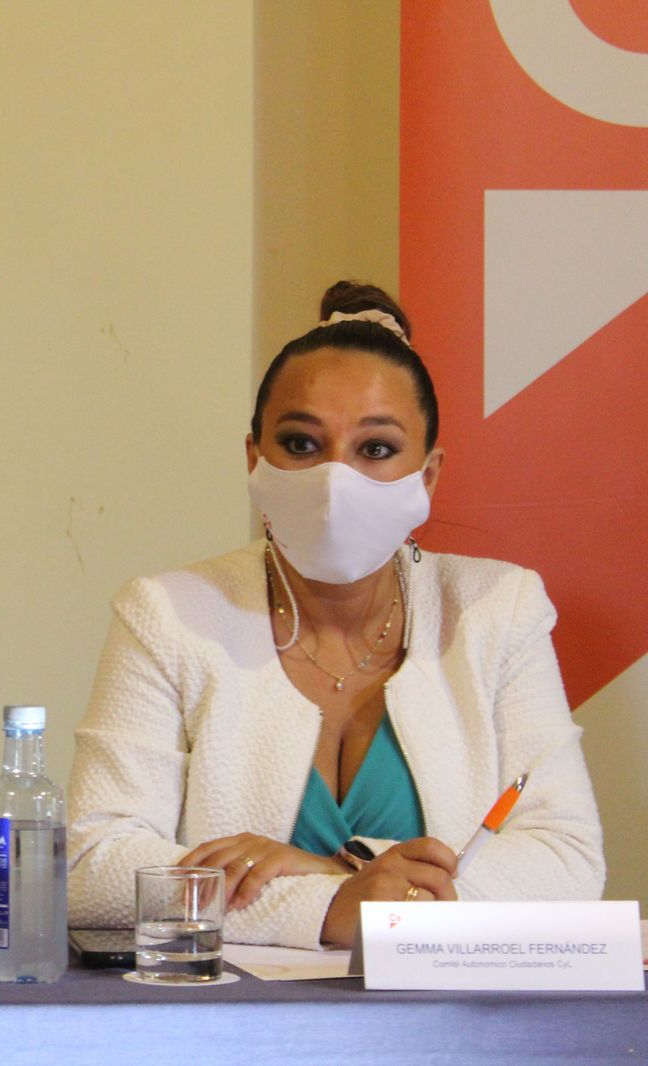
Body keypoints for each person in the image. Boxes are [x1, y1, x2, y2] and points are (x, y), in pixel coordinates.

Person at [66, 282, 604, 949]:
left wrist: (345, 878)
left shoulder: (498, 609)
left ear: (428, 475)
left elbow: (567, 862)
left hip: (448, 1014)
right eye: (301, 443)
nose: (333, 479)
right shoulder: (168, 614)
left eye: (375, 449)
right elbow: (94, 869)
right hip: (234, 1014)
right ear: (254, 459)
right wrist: (331, 904)